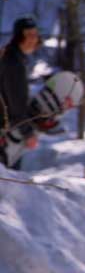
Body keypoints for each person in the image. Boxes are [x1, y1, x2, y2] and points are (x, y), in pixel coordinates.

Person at [0, 16, 41, 169]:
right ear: (19, 36)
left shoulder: (9, 56)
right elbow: (16, 104)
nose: (33, 39)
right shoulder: (13, 63)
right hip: (6, 136)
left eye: (35, 34)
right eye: (28, 35)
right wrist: (28, 132)